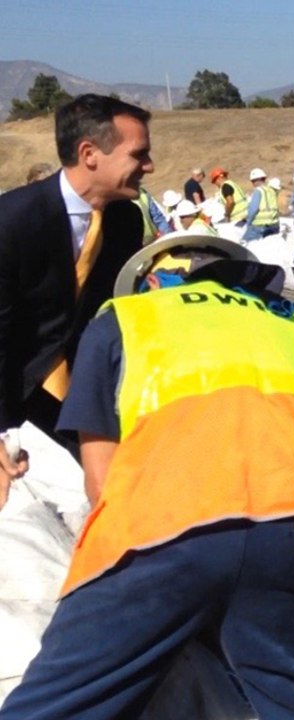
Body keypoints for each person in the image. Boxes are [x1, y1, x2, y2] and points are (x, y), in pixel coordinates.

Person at [0, 231, 294, 719]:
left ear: (150, 279)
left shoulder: (125, 321)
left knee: (64, 699)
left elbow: (101, 475)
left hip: (161, 528)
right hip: (290, 527)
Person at [0, 94, 152, 510]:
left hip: (82, 386)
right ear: (89, 154)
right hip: (14, 388)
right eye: (139, 154)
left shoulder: (124, 220)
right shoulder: (12, 222)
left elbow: (107, 311)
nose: (149, 166)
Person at [241, 167, 280, 241]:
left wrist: (248, 222)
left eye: (252, 181)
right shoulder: (272, 191)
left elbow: (253, 209)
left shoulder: (258, 191)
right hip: (274, 225)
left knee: (245, 244)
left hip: (260, 226)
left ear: (255, 181)